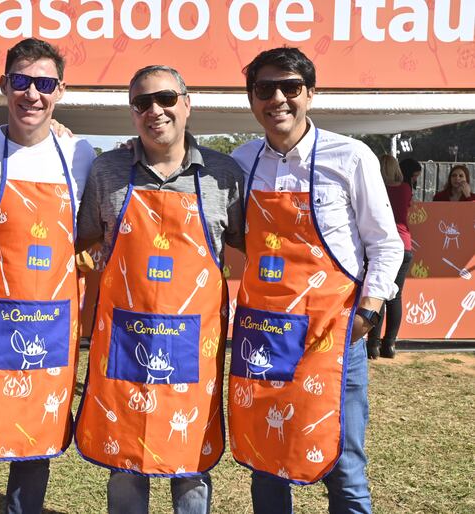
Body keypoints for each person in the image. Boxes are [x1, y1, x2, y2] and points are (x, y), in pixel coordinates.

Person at [230, 47, 403, 513]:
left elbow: (386, 243)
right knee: (267, 457)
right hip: (264, 334)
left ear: (311, 93)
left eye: (291, 87)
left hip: (333, 332)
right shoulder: (239, 162)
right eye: (265, 89)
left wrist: (368, 311)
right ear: (252, 98)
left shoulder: (350, 156)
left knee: (342, 462)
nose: (278, 99)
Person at [74, 65, 244, 514]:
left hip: (193, 346)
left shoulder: (224, 175)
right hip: (126, 345)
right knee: (126, 464)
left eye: (166, 99)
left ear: (187, 104)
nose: (155, 110)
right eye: (143, 102)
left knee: (190, 466)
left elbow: (253, 243)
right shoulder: (105, 171)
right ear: (133, 113)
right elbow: (82, 238)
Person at [0, 38, 95, 514]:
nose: (32, 94)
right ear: (4, 84)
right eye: (22, 81)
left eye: (44, 83)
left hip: (50, 330)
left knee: (36, 450)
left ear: (60, 90)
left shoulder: (82, 155)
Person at [367, 155, 416, 359]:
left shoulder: (376, 188)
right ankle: (390, 345)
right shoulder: (406, 189)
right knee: (395, 297)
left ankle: (372, 346)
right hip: (404, 244)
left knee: (377, 294)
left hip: (381, 245)